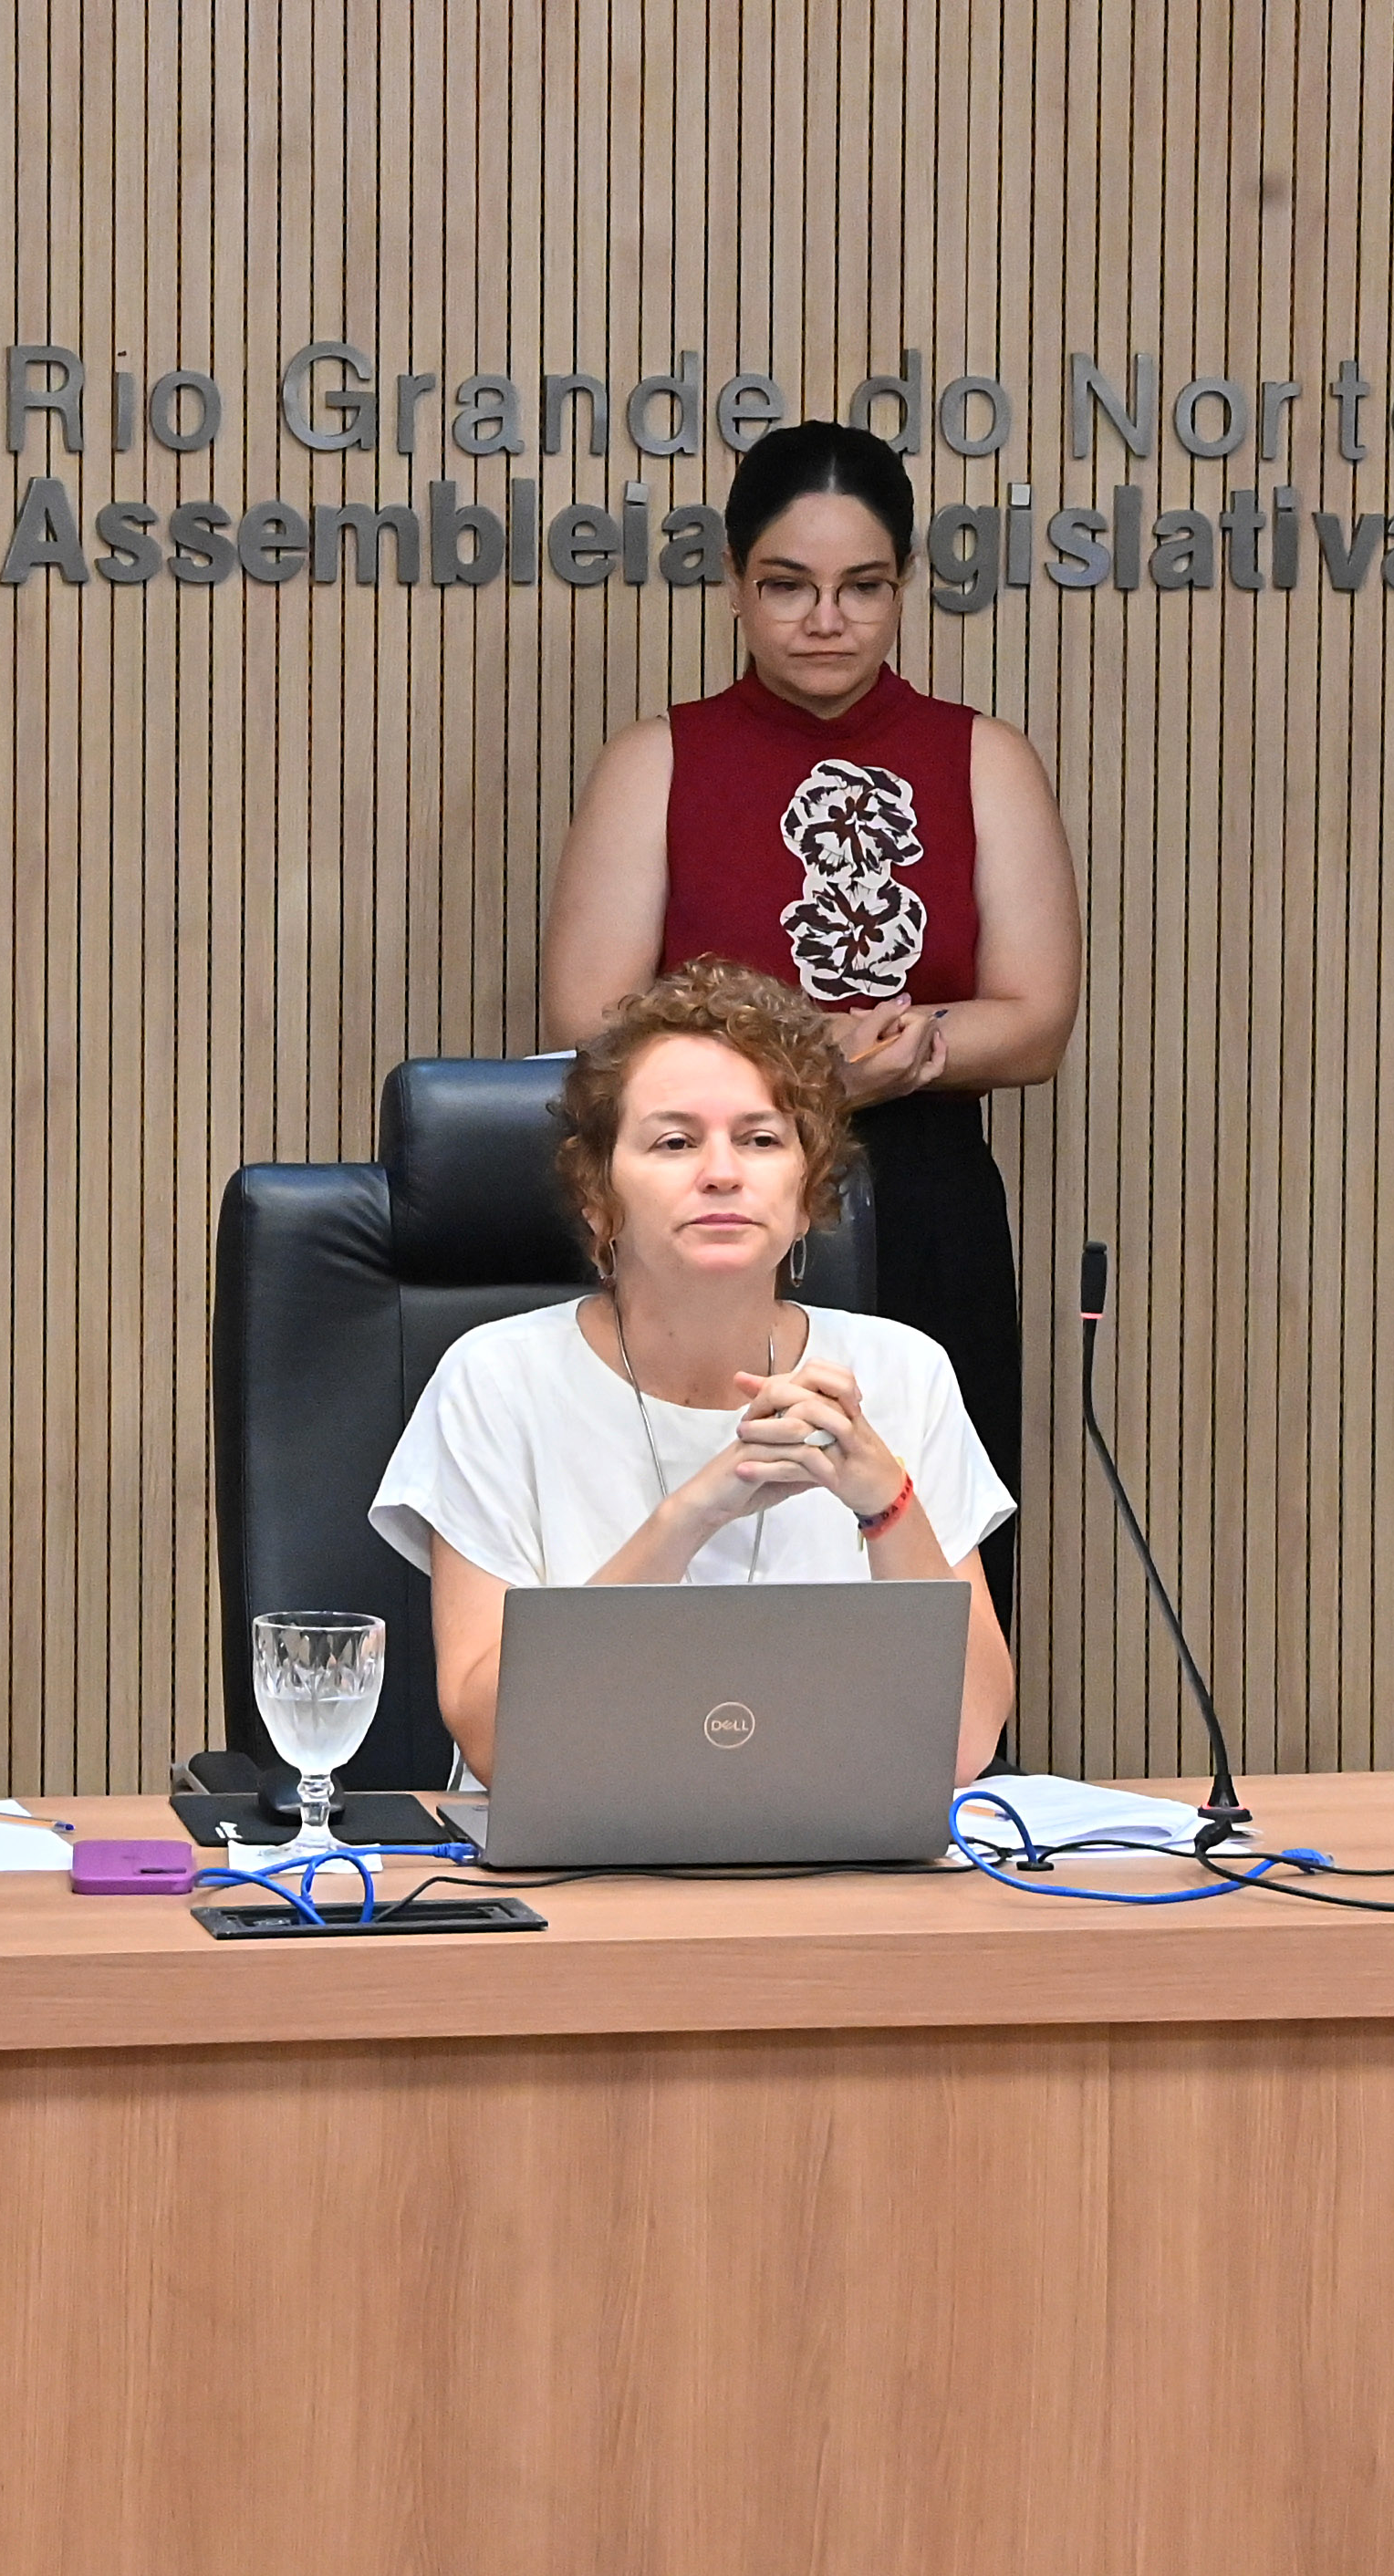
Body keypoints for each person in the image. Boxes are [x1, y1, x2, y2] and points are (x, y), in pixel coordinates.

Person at [543, 421, 1078, 1650]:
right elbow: (584, 1018)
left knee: (926, 1532)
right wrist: (811, 1069)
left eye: (862, 587)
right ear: (734, 581)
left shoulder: (982, 757)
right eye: (788, 585)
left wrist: (901, 1059)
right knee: (708, 1515)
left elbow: (1037, 1019)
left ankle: (942, 1761)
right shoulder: (657, 761)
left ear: (905, 585)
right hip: (707, 1197)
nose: (826, 621)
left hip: (924, 1196)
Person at [372, 961, 1015, 1782]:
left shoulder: (902, 1371)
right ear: (598, 1200)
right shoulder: (496, 1380)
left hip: (835, 1842)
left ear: (809, 1191)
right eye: (675, 1142)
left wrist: (888, 1503)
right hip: (580, 1847)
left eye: (761, 1139)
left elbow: (966, 1747)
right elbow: (502, 1748)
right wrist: (692, 1513)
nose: (722, 1172)